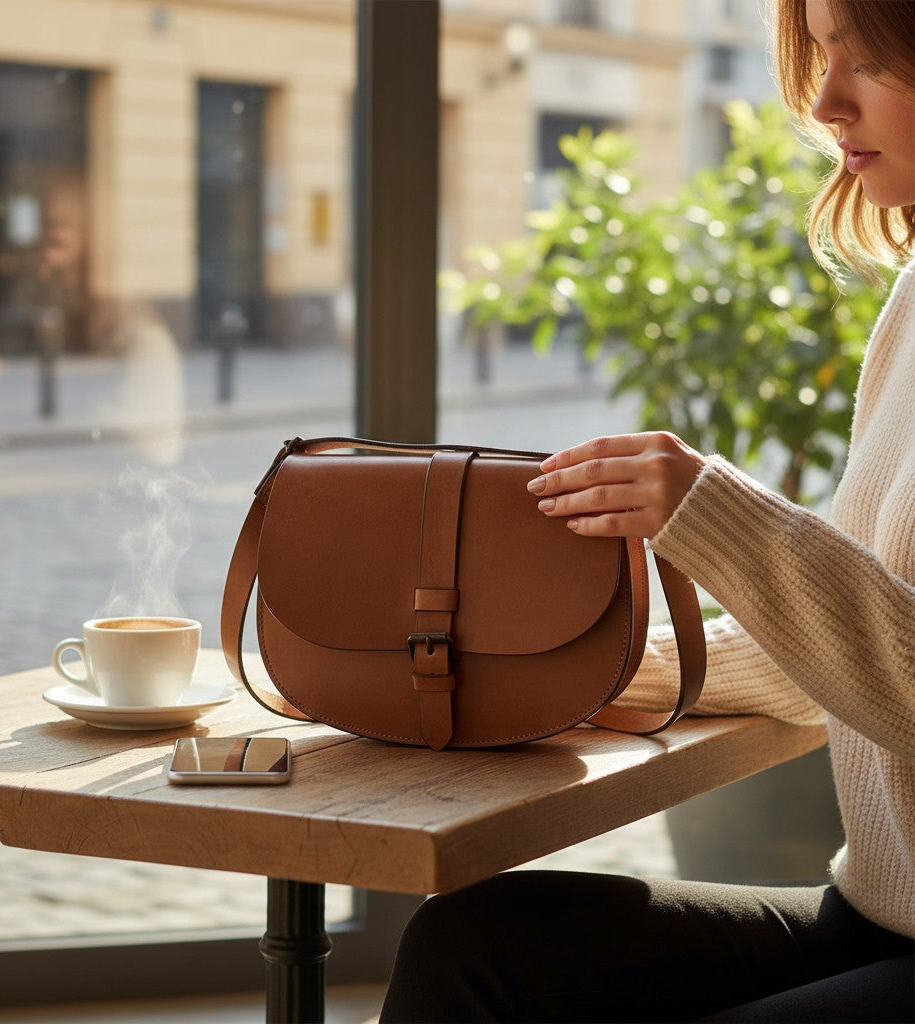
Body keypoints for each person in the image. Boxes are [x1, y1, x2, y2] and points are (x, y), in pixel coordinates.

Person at [379, 1, 915, 1020]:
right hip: (877, 915)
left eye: (872, 58)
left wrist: (720, 517)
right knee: (470, 946)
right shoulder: (914, 300)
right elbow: (854, 633)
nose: (825, 97)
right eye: (822, 55)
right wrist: (598, 671)